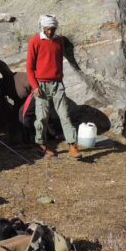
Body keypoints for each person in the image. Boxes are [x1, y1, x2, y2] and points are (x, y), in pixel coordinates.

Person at [26, 14, 79, 158]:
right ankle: (41, 144)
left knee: (65, 115)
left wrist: (60, 78)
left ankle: (72, 145)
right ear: (43, 27)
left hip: (57, 84)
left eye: (53, 29)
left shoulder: (59, 41)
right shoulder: (35, 41)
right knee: (42, 117)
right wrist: (35, 86)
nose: (50, 32)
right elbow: (29, 67)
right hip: (41, 85)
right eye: (47, 29)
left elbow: (59, 60)